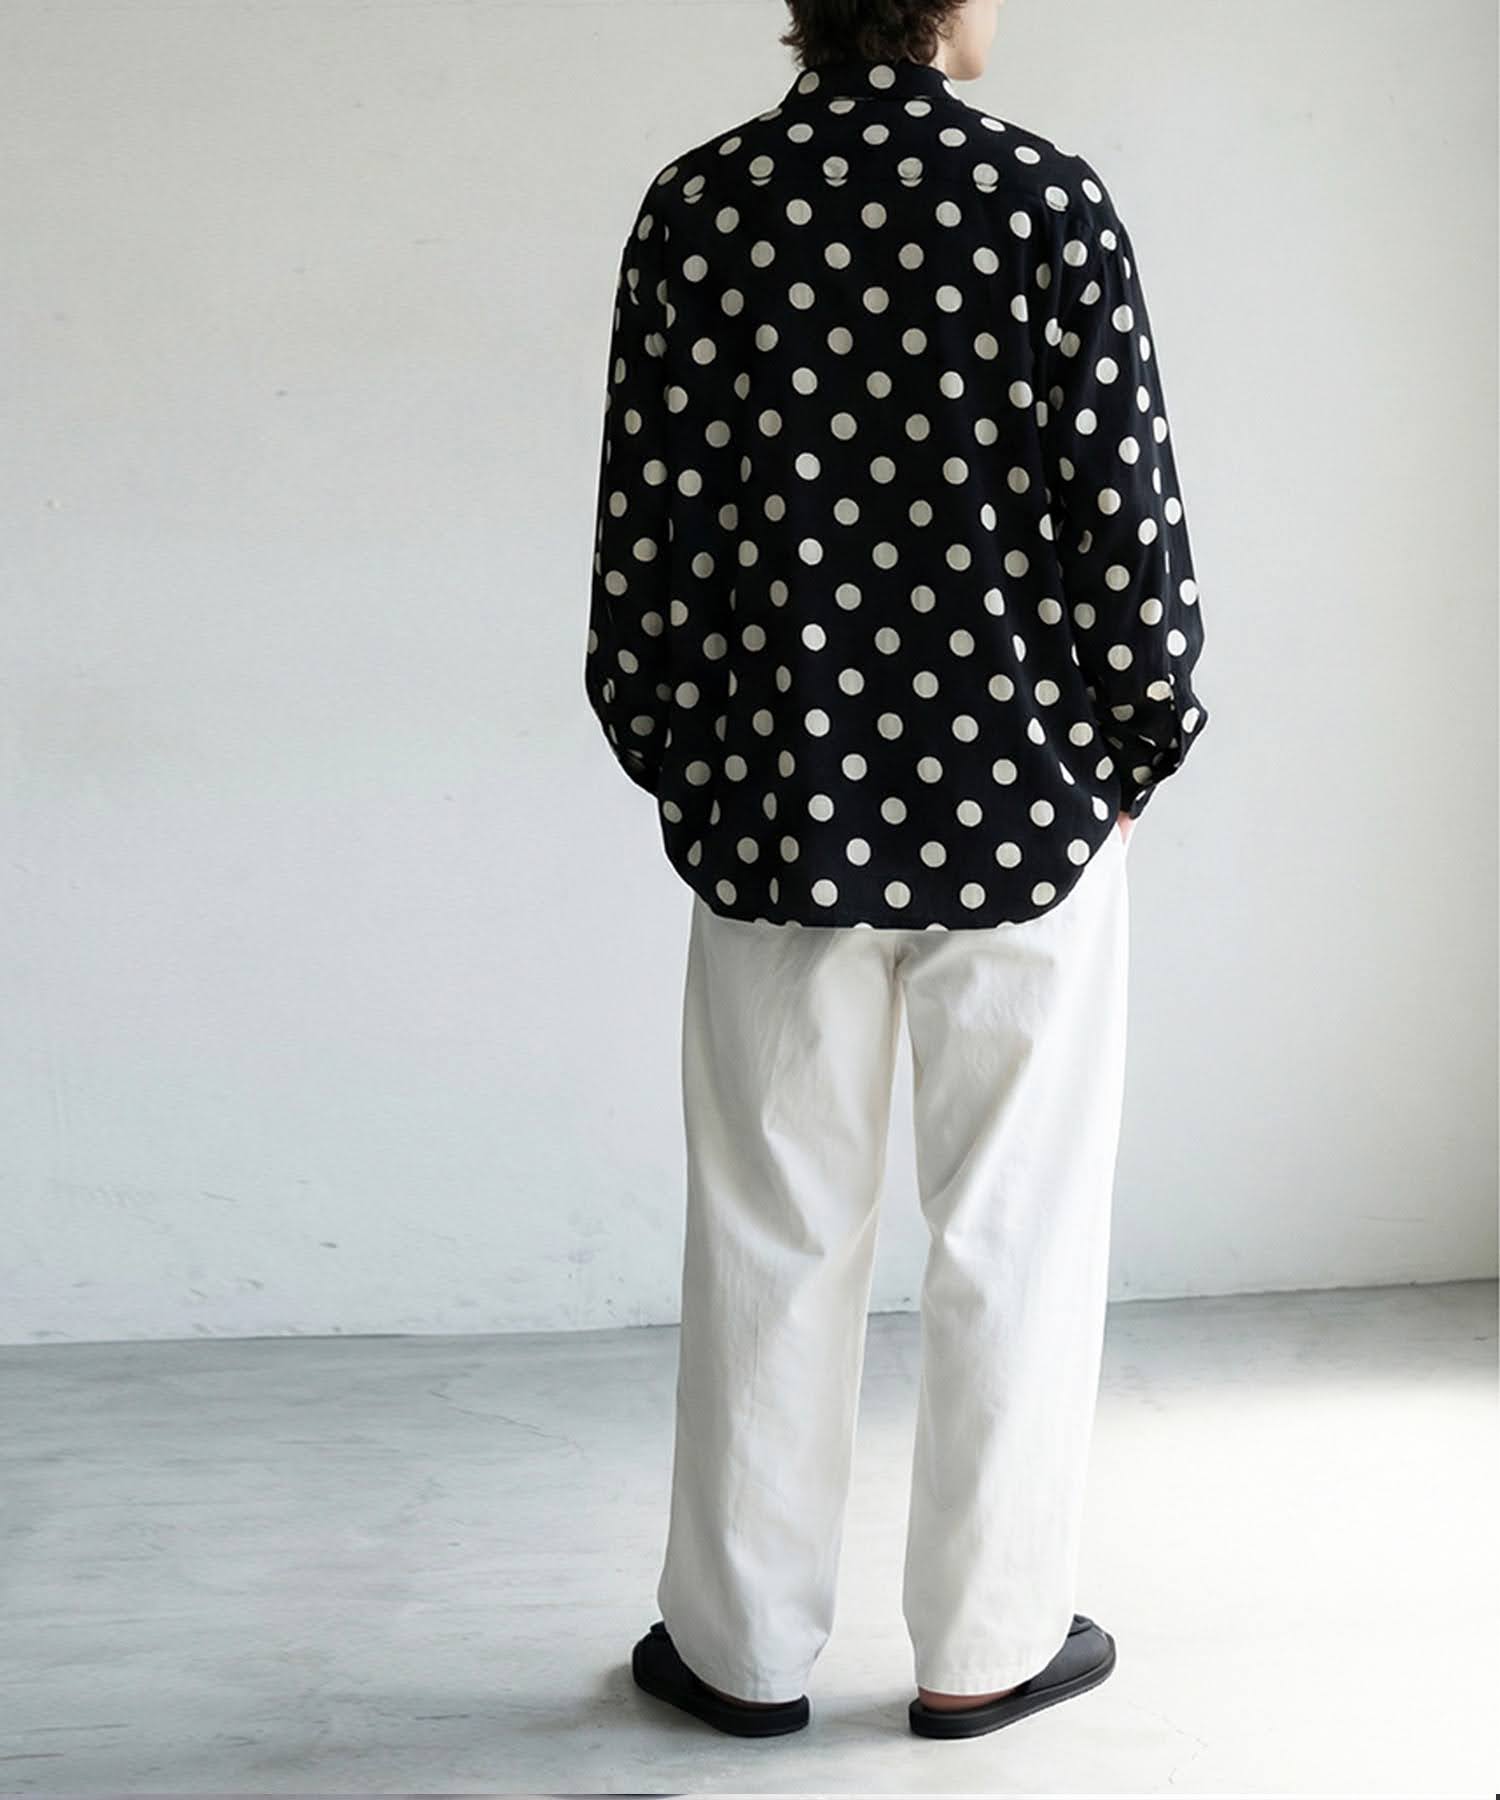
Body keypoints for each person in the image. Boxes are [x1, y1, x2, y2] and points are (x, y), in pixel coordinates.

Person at [584, 0, 1210, 1741]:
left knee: (769, 1234)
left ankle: (738, 1655)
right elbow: (1128, 533)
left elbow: (645, 557)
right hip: (1025, 821)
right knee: (1016, 1232)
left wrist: (694, 768)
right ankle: (987, 1647)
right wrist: (1130, 754)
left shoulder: (702, 208)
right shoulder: (1045, 203)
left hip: (775, 821)